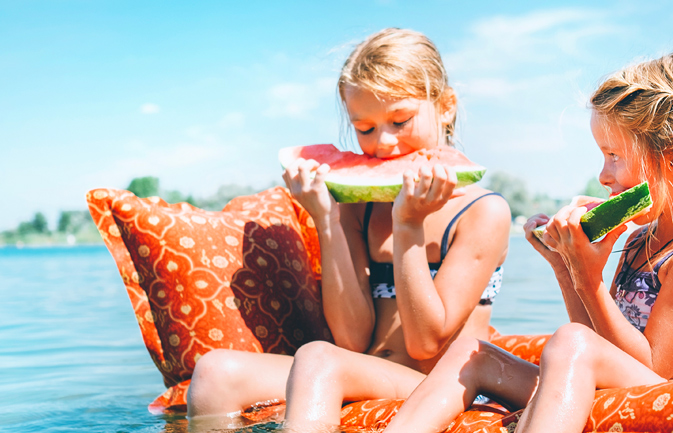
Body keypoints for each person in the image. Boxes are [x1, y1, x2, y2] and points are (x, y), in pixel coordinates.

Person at [383, 53, 673, 433]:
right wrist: (567, 267)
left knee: (571, 340)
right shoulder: (644, 239)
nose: (604, 175)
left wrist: (589, 279)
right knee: (471, 353)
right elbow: (603, 345)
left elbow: (649, 366)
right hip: (628, 390)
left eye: (614, 156)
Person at [184, 28, 511, 431]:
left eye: (400, 120)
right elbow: (352, 340)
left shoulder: (484, 212)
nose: (384, 143)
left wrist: (406, 225)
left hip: (436, 382)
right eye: (365, 128)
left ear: (445, 107)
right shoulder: (361, 206)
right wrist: (328, 219)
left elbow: (426, 342)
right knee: (215, 371)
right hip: (365, 367)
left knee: (319, 358)